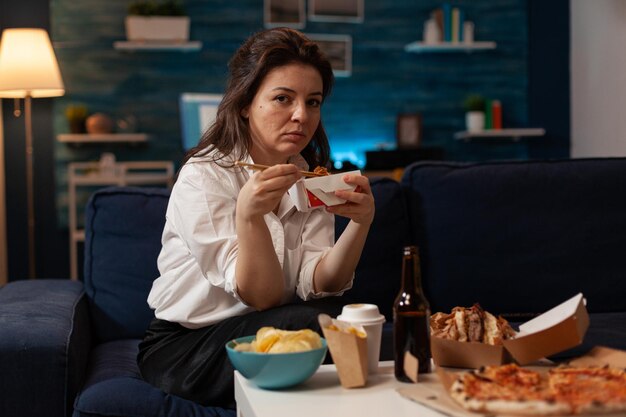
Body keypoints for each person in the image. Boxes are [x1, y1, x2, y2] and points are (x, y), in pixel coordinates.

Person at [137, 27, 375, 409]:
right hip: (190, 345)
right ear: (246, 102)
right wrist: (249, 216)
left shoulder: (310, 176)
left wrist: (361, 224)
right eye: (283, 98)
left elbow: (318, 281)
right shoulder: (204, 176)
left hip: (273, 327)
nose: (301, 115)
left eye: (313, 102)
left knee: (353, 325)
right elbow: (260, 295)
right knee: (318, 326)